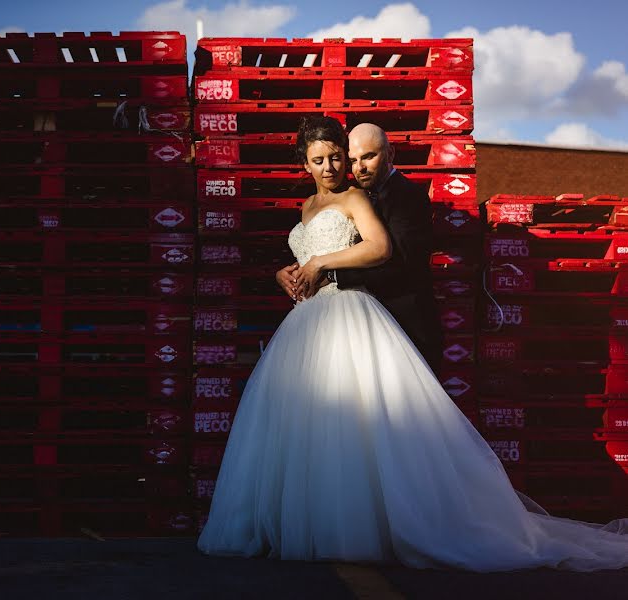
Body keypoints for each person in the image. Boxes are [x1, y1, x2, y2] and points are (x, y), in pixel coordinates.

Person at [197, 116, 628, 571]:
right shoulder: (307, 207)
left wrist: (325, 263)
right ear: (304, 164)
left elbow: (384, 250)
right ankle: (314, 523)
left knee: (375, 428)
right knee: (314, 427)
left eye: (339, 158)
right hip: (306, 322)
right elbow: (302, 259)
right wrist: (284, 273)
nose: (333, 167)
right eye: (320, 160)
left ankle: (388, 526)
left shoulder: (364, 197)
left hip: (357, 316)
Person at [276, 123, 442, 369]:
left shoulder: (407, 197)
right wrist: (291, 273)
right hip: (316, 318)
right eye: (353, 160)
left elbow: (400, 263)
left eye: (368, 157)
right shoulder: (323, 201)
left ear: (390, 154)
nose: (359, 167)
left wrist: (328, 273)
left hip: (405, 321)